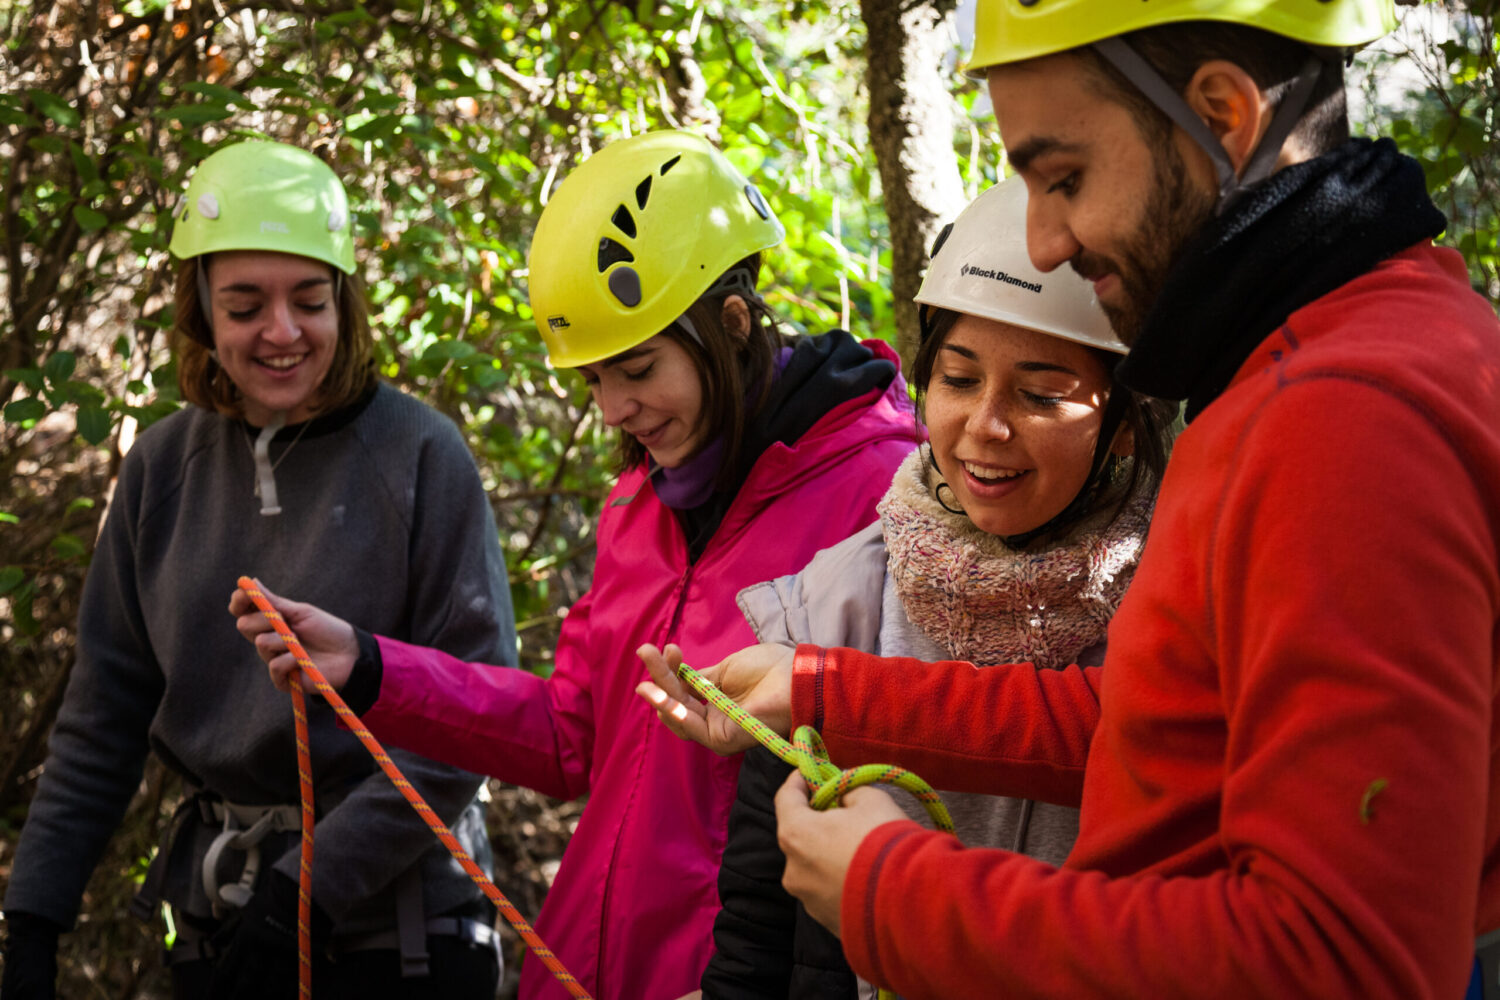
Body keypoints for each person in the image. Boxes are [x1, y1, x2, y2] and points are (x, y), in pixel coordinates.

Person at [639, 2, 1500, 997]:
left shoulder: (1342, 417)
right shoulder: (1359, 351)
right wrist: (828, 687)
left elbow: (1337, 965)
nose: (1044, 242)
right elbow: (1151, 722)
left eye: (1066, 178)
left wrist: (894, 890)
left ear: (1222, 116)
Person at [228, 129, 921, 1000]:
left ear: (732, 325)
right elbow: (574, 738)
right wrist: (370, 668)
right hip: (581, 968)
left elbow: (906, 784)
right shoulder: (640, 504)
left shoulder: (880, 498)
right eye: (593, 381)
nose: (614, 412)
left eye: (636, 369)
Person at [0, 140, 515, 1000]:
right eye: (245, 305)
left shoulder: (421, 456)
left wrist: (307, 891)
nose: (281, 332)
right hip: (222, 921)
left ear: (344, 304)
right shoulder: (163, 473)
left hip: (404, 928)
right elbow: (103, 719)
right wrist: (34, 920)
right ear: (201, 311)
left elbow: (474, 712)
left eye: (309, 301)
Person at [694, 175, 1176, 1000]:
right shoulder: (837, 605)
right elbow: (757, 932)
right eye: (957, 379)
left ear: (1124, 418)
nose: (984, 425)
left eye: (1040, 394)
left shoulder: (1172, 615)